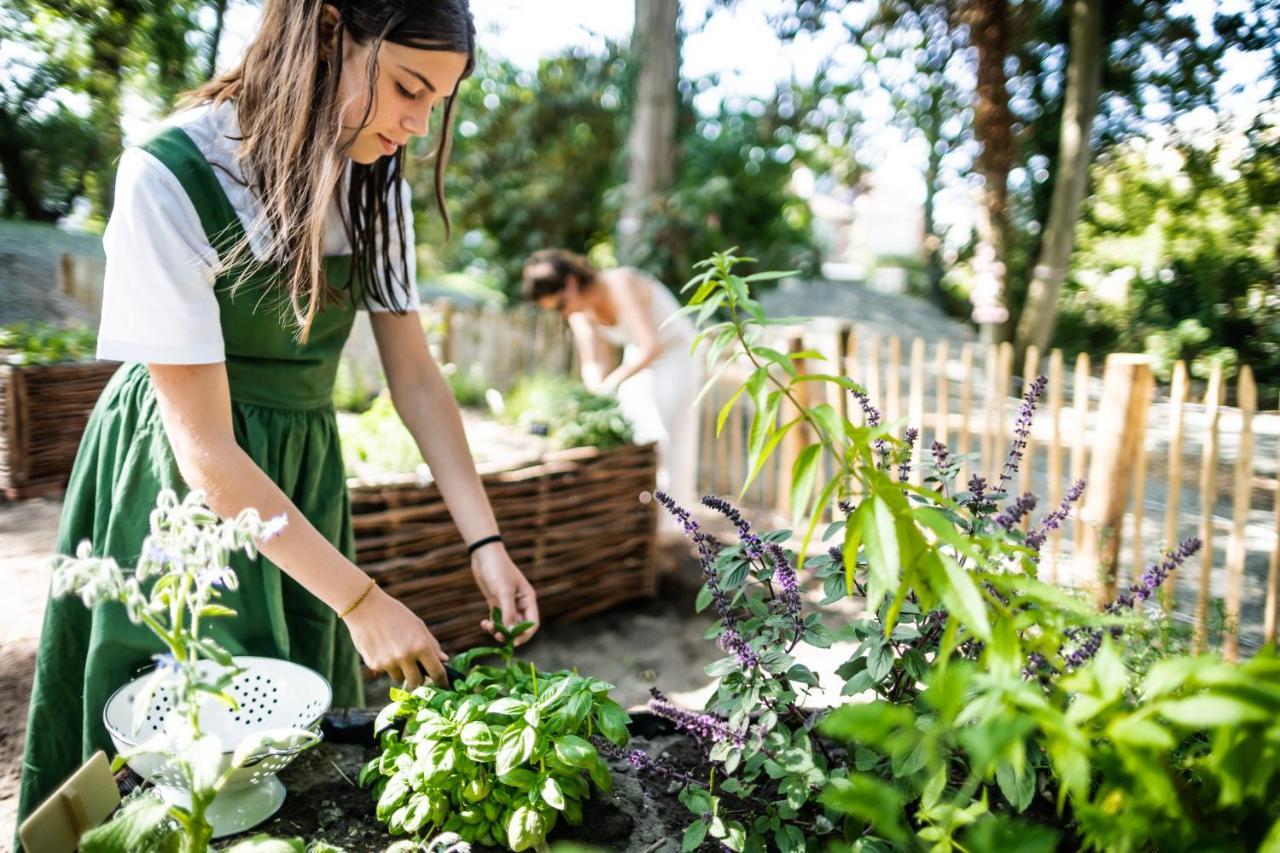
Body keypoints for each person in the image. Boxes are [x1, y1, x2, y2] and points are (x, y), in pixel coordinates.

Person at [17, 0, 539, 837]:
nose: (417, 123)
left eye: (436, 103)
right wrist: (361, 598)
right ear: (331, 33)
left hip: (300, 477)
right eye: (408, 87)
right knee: (182, 760)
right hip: (185, 488)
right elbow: (207, 450)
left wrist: (487, 543)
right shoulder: (172, 174)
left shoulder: (373, 180)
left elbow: (416, 379)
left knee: (293, 750)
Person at [522, 250, 702, 509]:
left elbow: (651, 345)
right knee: (638, 426)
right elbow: (594, 362)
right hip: (640, 357)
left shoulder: (621, 283)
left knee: (669, 433)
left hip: (676, 351)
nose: (563, 312)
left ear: (571, 283)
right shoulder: (579, 314)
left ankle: (674, 523)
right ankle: (642, 508)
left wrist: (611, 384)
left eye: (561, 304)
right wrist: (594, 393)